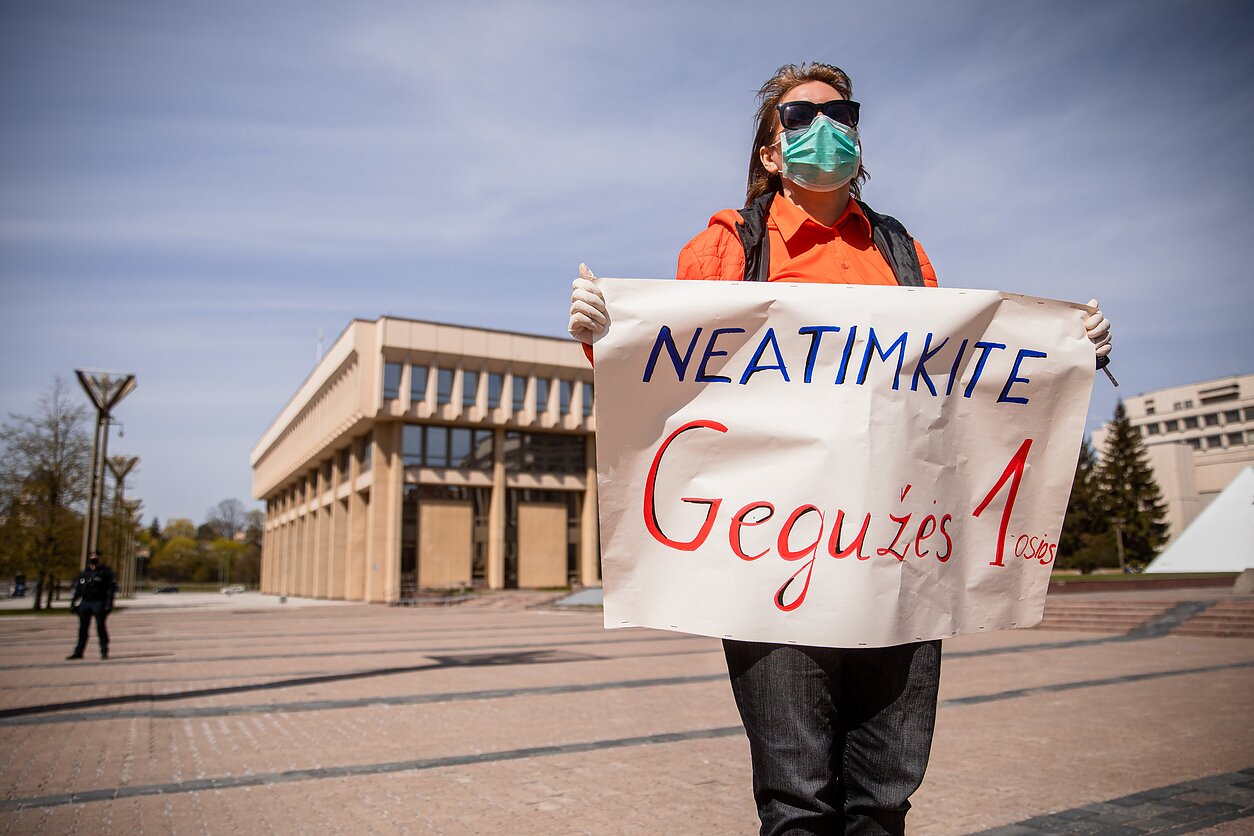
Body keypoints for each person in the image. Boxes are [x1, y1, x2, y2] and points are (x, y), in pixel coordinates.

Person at [569, 62, 1113, 835]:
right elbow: (670, 379)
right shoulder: (728, 247)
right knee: (798, 803)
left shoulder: (901, 253)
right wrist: (607, 337)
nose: (824, 127)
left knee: (885, 798)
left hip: (897, 557)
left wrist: (1066, 353)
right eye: (798, 117)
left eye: (841, 113)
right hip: (771, 565)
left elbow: (955, 391)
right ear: (768, 153)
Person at [67, 551, 116, 660]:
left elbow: (110, 590)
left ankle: (104, 650)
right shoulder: (85, 573)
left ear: (100, 558)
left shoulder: (106, 573)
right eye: (92, 556)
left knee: (100, 627)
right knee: (83, 629)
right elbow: (78, 589)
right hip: (86, 602)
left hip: (99, 602)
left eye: (96, 556)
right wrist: (73, 602)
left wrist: (109, 605)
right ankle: (79, 651)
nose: (94, 558)